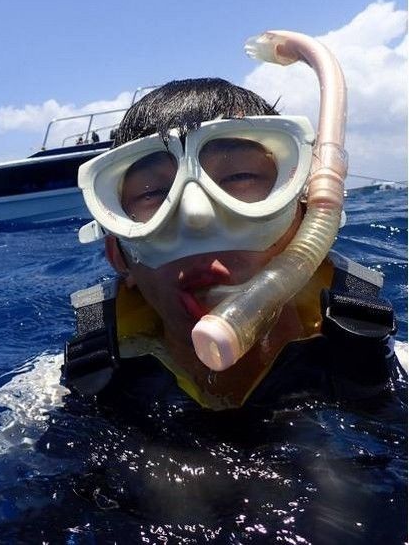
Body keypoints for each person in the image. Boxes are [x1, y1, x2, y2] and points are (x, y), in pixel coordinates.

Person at [63, 70, 403, 410]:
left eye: (240, 177)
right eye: (153, 193)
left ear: (310, 222)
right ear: (120, 257)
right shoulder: (65, 387)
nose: (197, 217)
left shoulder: (391, 364)